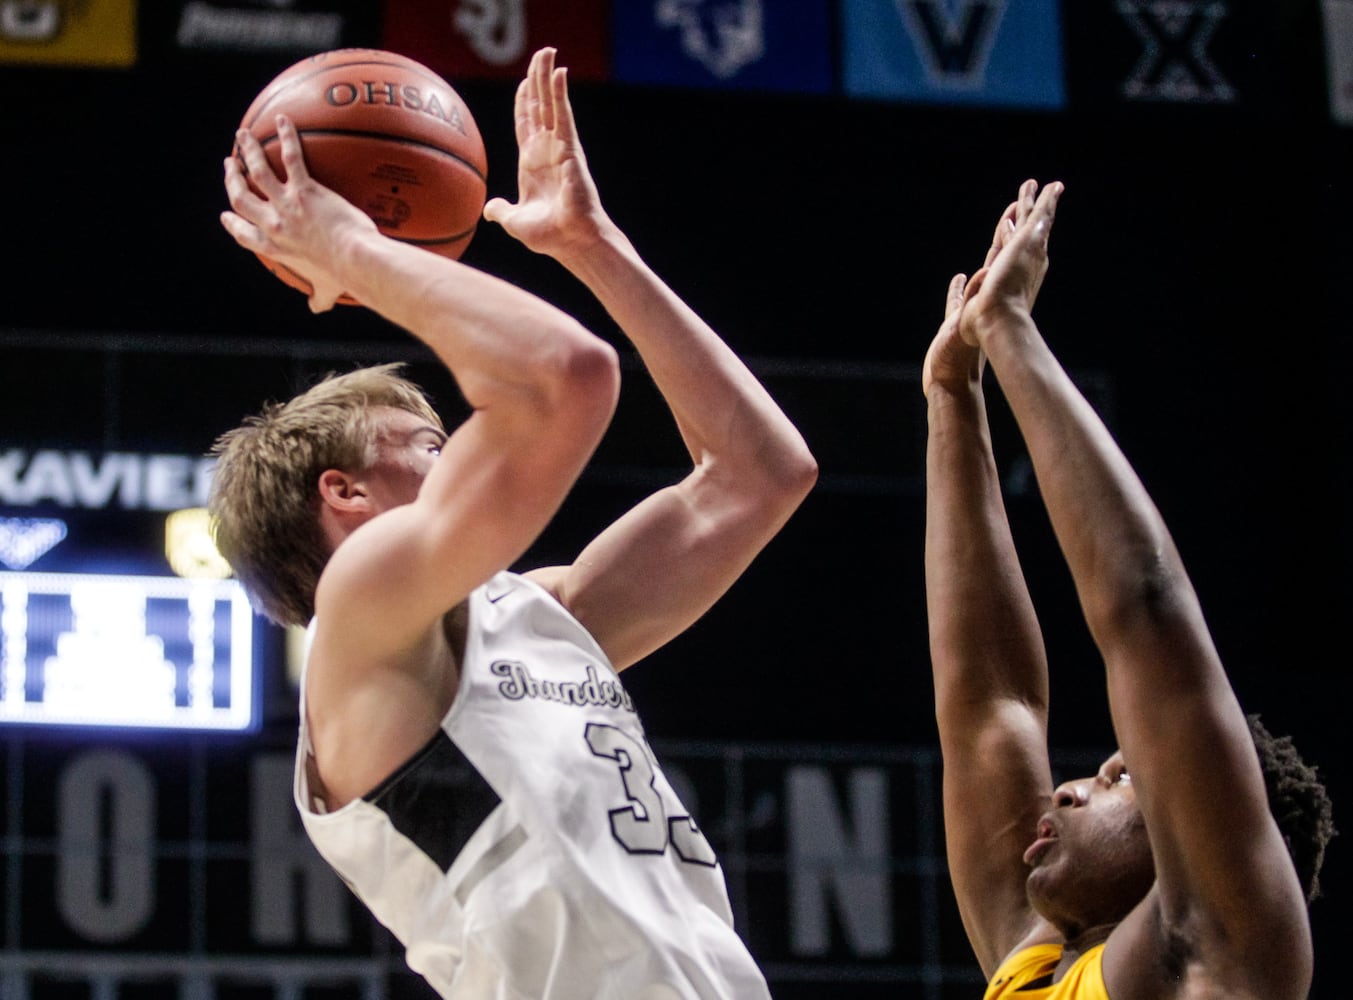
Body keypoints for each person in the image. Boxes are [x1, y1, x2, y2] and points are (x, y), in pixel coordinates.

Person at [211, 46, 815, 999]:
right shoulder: (359, 619)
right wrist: (354, 251)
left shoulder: (533, 618)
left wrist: (592, 246)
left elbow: (760, 474)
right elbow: (562, 377)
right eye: (428, 442)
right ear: (345, 496)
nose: (461, 454)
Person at [922, 179, 1334, 998]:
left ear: (1198, 826)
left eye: (1117, 778)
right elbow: (989, 705)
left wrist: (1009, 332)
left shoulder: (1223, 953)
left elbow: (1147, 613)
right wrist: (952, 398)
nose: (1069, 789)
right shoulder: (1035, 963)